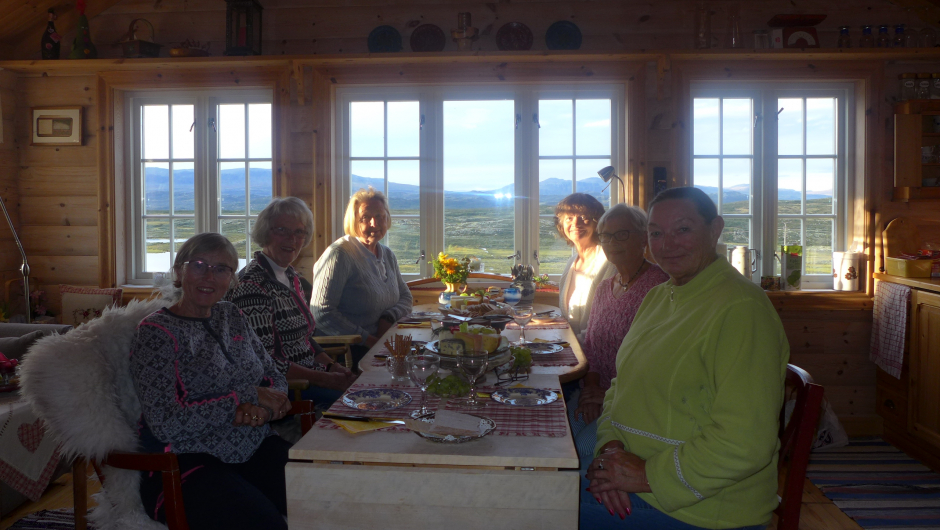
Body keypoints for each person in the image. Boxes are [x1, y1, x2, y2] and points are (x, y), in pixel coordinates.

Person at [582, 187, 789, 530]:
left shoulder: (741, 309)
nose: (668, 244)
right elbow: (620, 386)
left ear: (715, 229)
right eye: (657, 233)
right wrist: (609, 449)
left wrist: (646, 476)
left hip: (703, 507)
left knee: (531, 506)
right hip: (636, 478)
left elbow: (745, 442)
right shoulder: (660, 297)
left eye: (683, 229)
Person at [130, 233, 292, 530]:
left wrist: (266, 410)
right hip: (187, 465)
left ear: (231, 279)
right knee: (266, 525)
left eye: (221, 269)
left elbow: (274, 376)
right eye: (199, 265)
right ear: (179, 271)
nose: (209, 276)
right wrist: (244, 399)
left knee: (325, 497)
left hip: (254, 447)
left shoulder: (232, 315)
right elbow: (166, 422)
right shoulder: (156, 333)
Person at [227, 197, 357, 406]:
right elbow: (265, 362)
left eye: (299, 232)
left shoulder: (291, 276)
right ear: (265, 233)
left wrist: (334, 368)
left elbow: (304, 339)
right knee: (360, 405)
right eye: (282, 230)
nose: (292, 239)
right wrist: (326, 379)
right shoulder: (253, 286)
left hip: (312, 377)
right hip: (287, 390)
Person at [569, 204, 669, 462]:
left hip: (634, 403)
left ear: (643, 238)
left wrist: (607, 397)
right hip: (595, 393)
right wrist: (591, 394)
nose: (612, 242)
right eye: (606, 236)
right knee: (557, 433)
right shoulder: (604, 287)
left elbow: (657, 362)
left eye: (622, 234)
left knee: (582, 449)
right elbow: (590, 344)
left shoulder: (659, 287)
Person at [311, 188, 413, 364]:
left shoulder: (387, 254)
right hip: (346, 353)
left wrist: (387, 318)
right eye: (366, 217)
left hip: (381, 344)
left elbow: (406, 297)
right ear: (353, 221)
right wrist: (369, 340)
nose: (375, 223)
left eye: (380, 216)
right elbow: (321, 312)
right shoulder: (339, 254)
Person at [555, 193, 617, 339]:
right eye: (569, 218)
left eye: (584, 217)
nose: (575, 224)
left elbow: (605, 323)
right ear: (561, 224)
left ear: (598, 223)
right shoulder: (571, 263)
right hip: (570, 346)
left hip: (592, 352)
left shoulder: (609, 262)